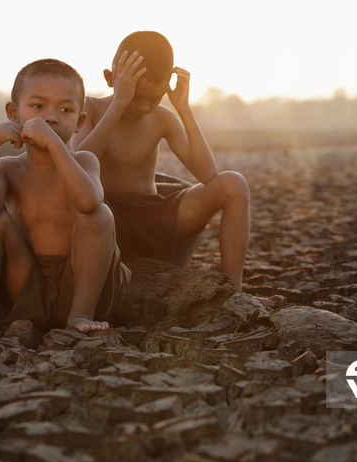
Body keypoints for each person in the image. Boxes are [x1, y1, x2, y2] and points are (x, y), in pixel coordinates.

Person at [0, 59, 130, 348]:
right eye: (38, 107)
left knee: (100, 215)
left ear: (79, 122)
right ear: (13, 113)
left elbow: (88, 202)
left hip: (80, 282)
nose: (51, 118)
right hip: (25, 284)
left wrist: (54, 145)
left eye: (65, 110)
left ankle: (80, 316)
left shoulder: (85, 161)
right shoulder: (7, 169)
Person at [72, 31, 260, 297]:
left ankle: (234, 293)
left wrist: (182, 108)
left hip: (153, 218)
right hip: (106, 218)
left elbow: (208, 175)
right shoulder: (89, 110)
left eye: (155, 97)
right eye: (137, 97)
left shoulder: (163, 118)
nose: (144, 107)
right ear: (111, 79)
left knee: (234, 184)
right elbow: (79, 165)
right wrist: (120, 102)